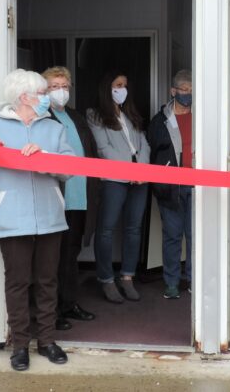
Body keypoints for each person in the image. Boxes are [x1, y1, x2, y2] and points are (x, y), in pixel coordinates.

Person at [0, 69, 74, 371]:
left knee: (47, 281)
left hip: (51, 218)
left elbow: (69, 168)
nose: (46, 98)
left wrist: (46, 158)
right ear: (24, 97)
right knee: (17, 283)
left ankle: (47, 341)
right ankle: (20, 346)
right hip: (11, 219)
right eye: (42, 94)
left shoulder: (53, 128)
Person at [40, 66, 98, 331]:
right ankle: (50, 312)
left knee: (70, 254)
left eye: (64, 86)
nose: (60, 91)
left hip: (79, 195)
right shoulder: (41, 118)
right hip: (55, 197)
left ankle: (69, 303)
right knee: (52, 258)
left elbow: (90, 154)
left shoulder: (75, 116)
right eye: (53, 86)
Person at [87, 71, 151, 303]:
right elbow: (103, 149)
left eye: (124, 85)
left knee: (133, 229)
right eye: (117, 85)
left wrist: (141, 168)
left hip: (140, 180)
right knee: (106, 229)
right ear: (107, 88)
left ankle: (127, 277)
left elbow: (144, 143)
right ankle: (106, 279)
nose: (122, 89)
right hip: (113, 180)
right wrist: (128, 171)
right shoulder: (95, 115)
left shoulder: (130, 113)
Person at [147, 69, 194, 299]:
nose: (188, 94)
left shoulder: (202, 117)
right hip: (171, 187)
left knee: (196, 236)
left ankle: (195, 280)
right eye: (184, 89)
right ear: (173, 91)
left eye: (192, 90)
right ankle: (172, 283)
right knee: (172, 236)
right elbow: (152, 152)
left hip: (198, 185)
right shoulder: (160, 121)